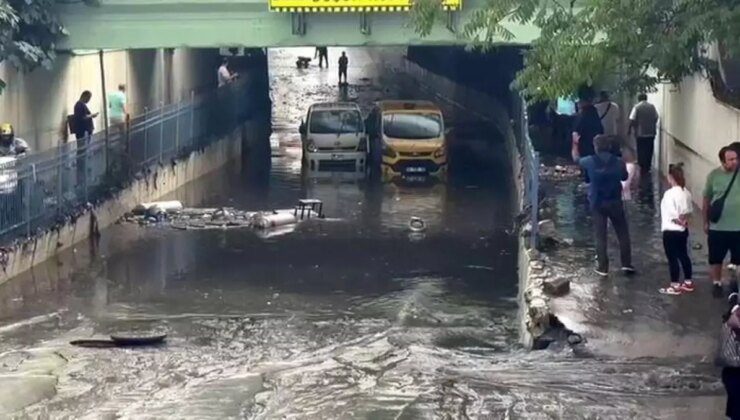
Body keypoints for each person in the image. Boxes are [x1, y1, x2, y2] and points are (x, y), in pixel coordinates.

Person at [573, 134, 634, 276]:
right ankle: (626, 264)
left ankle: (603, 267)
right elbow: (624, 177)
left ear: (596, 147)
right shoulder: (618, 162)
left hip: (597, 203)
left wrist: (575, 143)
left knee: (600, 235)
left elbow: (576, 159)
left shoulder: (590, 161)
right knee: (623, 233)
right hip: (615, 202)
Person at [703, 146, 740, 296]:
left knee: (738, 260)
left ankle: (735, 284)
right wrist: (705, 222)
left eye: (736, 158)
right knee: (716, 258)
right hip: (718, 227)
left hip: (738, 227)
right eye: (731, 160)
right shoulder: (713, 176)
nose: (735, 162)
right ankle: (717, 283)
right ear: (723, 161)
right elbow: (706, 199)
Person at [658, 164, 694, 295]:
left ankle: (674, 285)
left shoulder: (669, 194)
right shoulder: (687, 193)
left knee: (672, 258)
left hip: (670, 230)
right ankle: (688, 282)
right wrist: (684, 222)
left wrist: (679, 221)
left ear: (670, 177)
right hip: (683, 231)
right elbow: (689, 211)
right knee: (684, 255)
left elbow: (672, 214)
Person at [628, 93, 659, 173]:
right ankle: (647, 166)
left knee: (641, 149)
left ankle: (642, 165)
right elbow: (656, 117)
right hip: (651, 132)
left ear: (639, 99)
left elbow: (632, 119)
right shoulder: (652, 107)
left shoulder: (637, 107)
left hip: (640, 132)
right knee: (649, 149)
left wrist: (630, 129)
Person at [73, 91, 98, 185]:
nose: (89, 100)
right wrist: (92, 115)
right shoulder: (79, 105)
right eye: (88, 98)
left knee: (83, 149)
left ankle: (82, 164)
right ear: (85, 96)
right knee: (82, 149)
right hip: (83, 131)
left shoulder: (80, 105)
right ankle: (81, 166)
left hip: (84, 131)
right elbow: (82, 117)